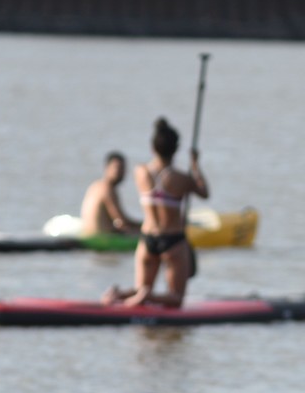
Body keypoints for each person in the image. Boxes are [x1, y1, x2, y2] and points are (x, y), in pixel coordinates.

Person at [103, 117, 209, 308]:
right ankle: (147, 297)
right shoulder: (181, 179)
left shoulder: (140, 172)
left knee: (142, 286)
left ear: (153, 148)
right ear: (175, 150)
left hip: (148, 238)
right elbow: (204, 192)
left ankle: (119, 293)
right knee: (176, 299)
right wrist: (195, 164)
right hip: (173, 240)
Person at [79, 152, 140, 238]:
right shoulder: (108, 189)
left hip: (88, 233)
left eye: (123, 169)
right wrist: (143, 225)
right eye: (117, 168)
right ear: (106, 168)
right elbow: (122, 222)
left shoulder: (95, 185)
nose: (120, 172)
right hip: (101, 237)